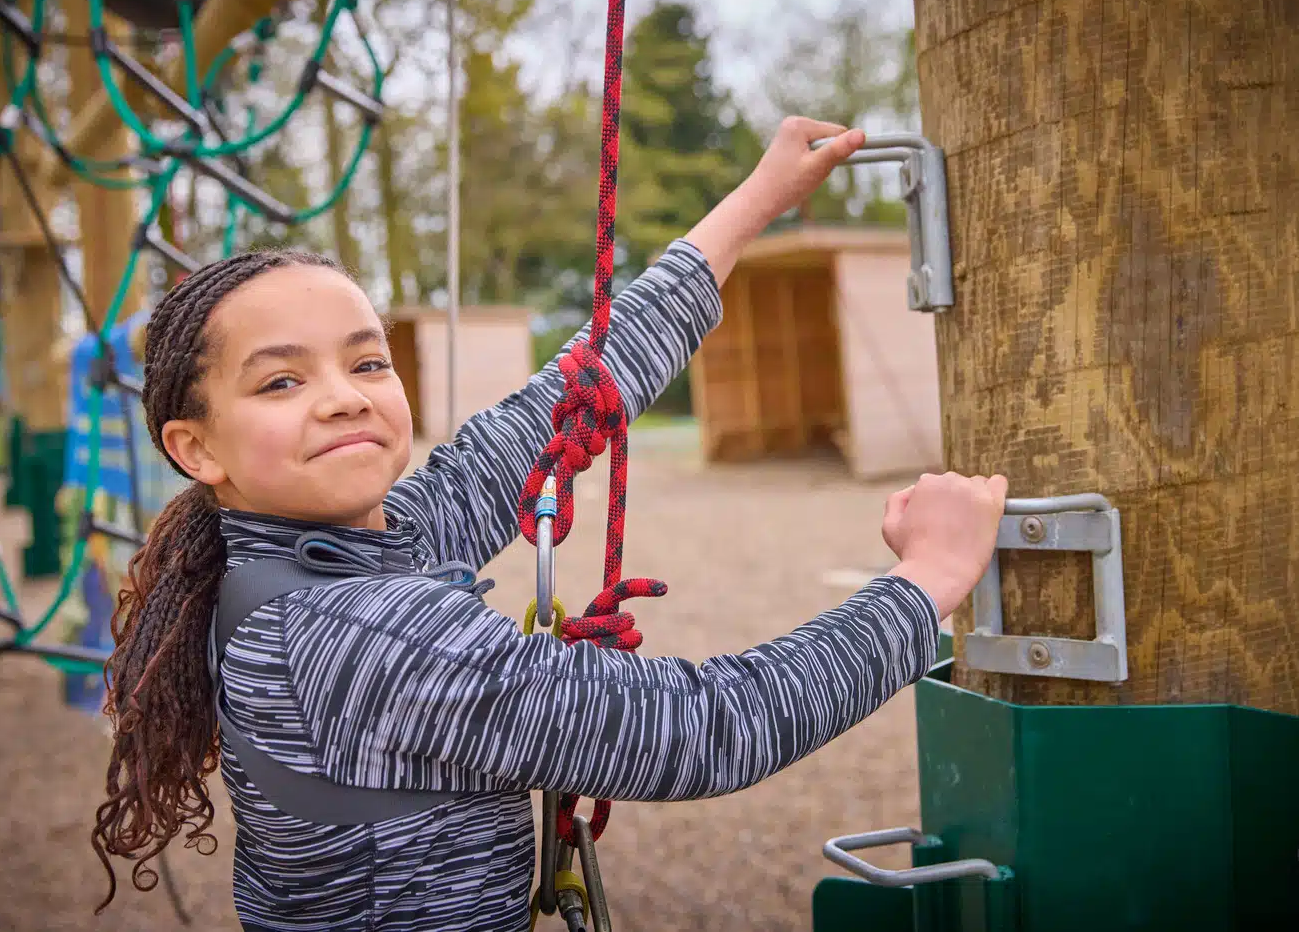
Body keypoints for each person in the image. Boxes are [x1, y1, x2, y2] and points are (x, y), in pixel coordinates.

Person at [90, 118, 1008, 931]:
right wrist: (926, 580)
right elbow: (714, 726)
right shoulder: (355, 629)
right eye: (282, 381)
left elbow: (561, 402)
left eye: (368, 363)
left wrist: (752, 202)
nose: (343, 399)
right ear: (195, 446)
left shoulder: (337, 553)